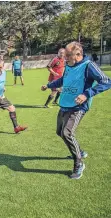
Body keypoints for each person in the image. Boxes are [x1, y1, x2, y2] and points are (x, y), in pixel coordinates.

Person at [41, 41, 111, 179]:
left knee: (67, 133)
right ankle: (79, 151)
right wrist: (49, 85)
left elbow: (106, 81)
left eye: (68, 55)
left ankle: (79, 163)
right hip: (65, 104)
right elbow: (63, 80)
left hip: (78, 107)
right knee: (59, 132)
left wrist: (86, 94)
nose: (64, 57)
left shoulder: (88, 66)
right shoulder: (68, 65)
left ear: (78, 54)